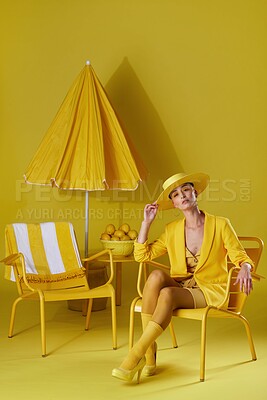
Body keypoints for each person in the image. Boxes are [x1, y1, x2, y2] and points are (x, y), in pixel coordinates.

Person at [112, 172, 254, 383]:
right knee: (156, 277)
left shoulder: (221, 224)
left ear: (195, 193)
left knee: (168, 293)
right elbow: (142, 255)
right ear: (175, 204)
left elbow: (241, 256)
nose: (182, 195)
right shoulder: (172, 230)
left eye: (186, 190)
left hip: (210, 290)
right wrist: (146, 223)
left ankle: (137, 354)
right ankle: (149, 353)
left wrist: (246, 268)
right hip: (183, 285)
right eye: (176, 194)